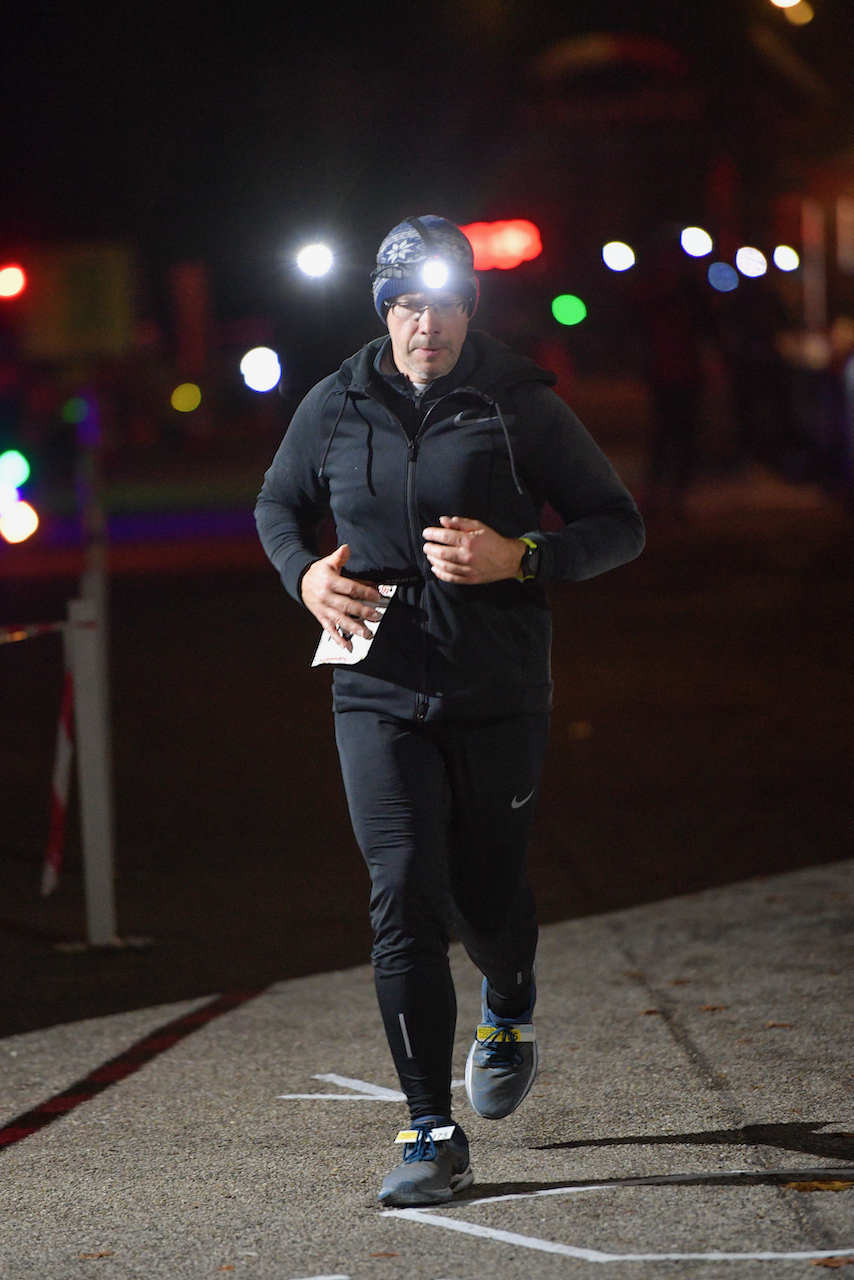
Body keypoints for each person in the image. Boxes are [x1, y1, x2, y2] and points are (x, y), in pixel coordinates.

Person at [255, 216, 644, 1208]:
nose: (422, 323)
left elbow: (617, 524)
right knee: (401, 895)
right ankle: (429, 1126)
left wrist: (522, 556)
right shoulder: (337, 401)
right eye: (403, 305)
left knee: (485, 898)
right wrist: (305, 579)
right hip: (374, 682)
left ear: (470, 306)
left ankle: (506, 996)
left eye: (441, 304)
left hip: (496, 686)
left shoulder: (515, 402)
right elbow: (275, 505)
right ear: (383, 309)